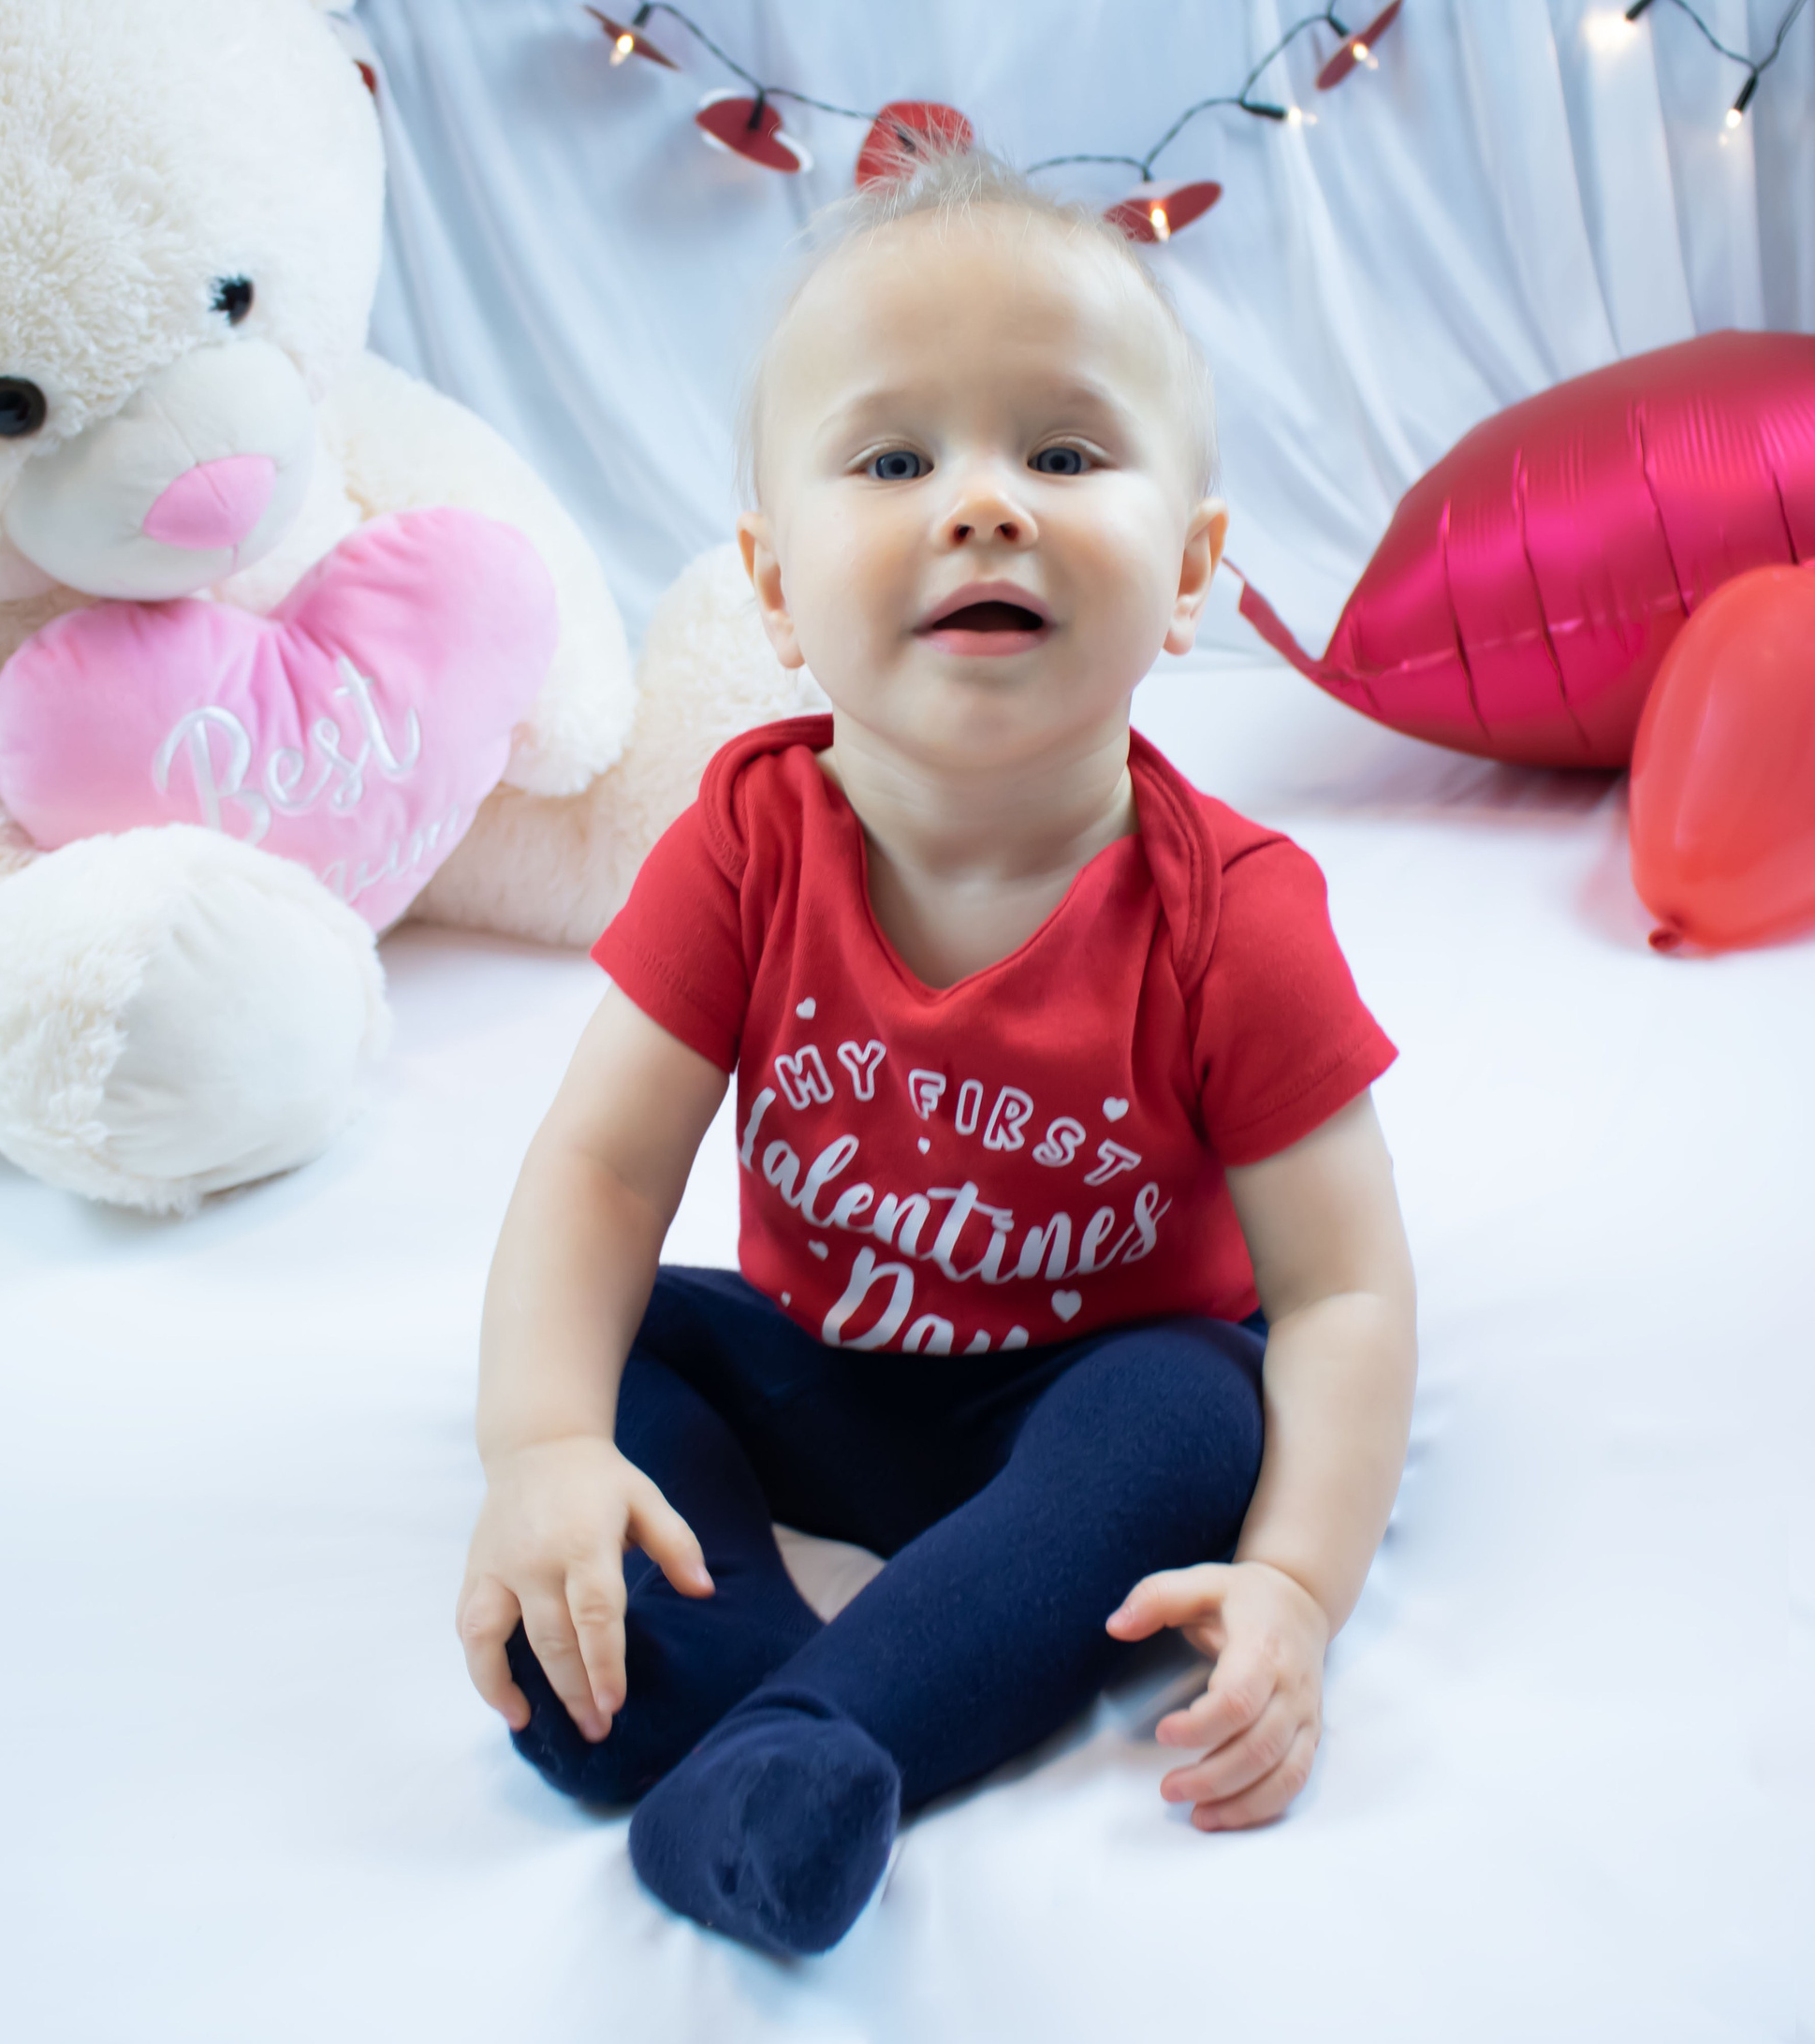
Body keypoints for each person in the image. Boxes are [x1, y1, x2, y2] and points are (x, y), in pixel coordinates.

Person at [454, 145, 1417, 1958]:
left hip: (1084, 1404)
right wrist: (537, 1448)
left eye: (1060, 453)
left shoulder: (1231, 913)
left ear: (1191, 566)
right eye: (892, 460)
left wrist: (1294, 1583)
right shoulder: (746, 843)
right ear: (769, 582)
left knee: (1203, 1404)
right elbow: (595, 1168)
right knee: (622, 1334)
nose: (982, 505)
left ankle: (830, 1739)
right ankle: (727, 1674)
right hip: (829, 1378)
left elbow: (1348, 1292)